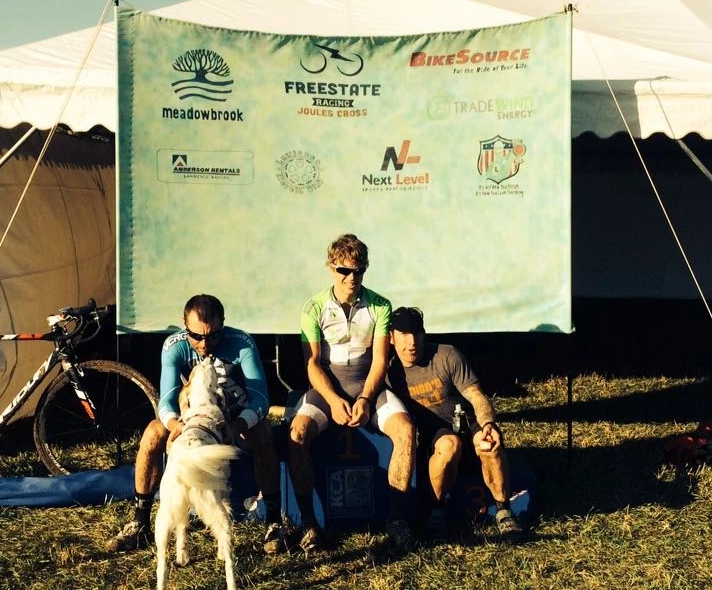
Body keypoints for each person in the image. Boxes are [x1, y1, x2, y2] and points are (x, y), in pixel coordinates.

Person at [105, 294, 286, 554]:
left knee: (263, 431)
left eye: (212, 335)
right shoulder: (175, 345)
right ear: (184, 325)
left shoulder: (241, 342)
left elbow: (261, 399)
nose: (204, 343)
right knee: (153, 432)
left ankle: (274, 522)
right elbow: (166, 399)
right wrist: (175, 426)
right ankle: (140, 521)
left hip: (233, 418)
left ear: (223, 323)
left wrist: (237, 426)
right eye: (196, 336)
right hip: (192, 421)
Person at [286, 234, 416, 553]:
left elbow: (381, 361)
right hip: (327, 386)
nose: (351, 278)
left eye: (359, 271)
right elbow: (313, 363)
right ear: (331, 268)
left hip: (367, 383)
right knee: (297, 433)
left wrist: (366, 399)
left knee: (406, 430)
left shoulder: (380, 305)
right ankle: (308, 524)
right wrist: (332, 400)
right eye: (344, 270)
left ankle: (397, 520)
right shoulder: (313, 307)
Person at [385, 306, 521, 542]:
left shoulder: (447, 355)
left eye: (416, 333)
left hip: (467, 423)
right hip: (434, 436)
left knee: (488, 443)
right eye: (404, 335)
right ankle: (436, 511)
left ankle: (503, 510)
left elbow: (477, 396)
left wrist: (488, 423)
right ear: (391, 337)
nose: (411, 342)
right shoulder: (389, 373)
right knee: (449, 445)